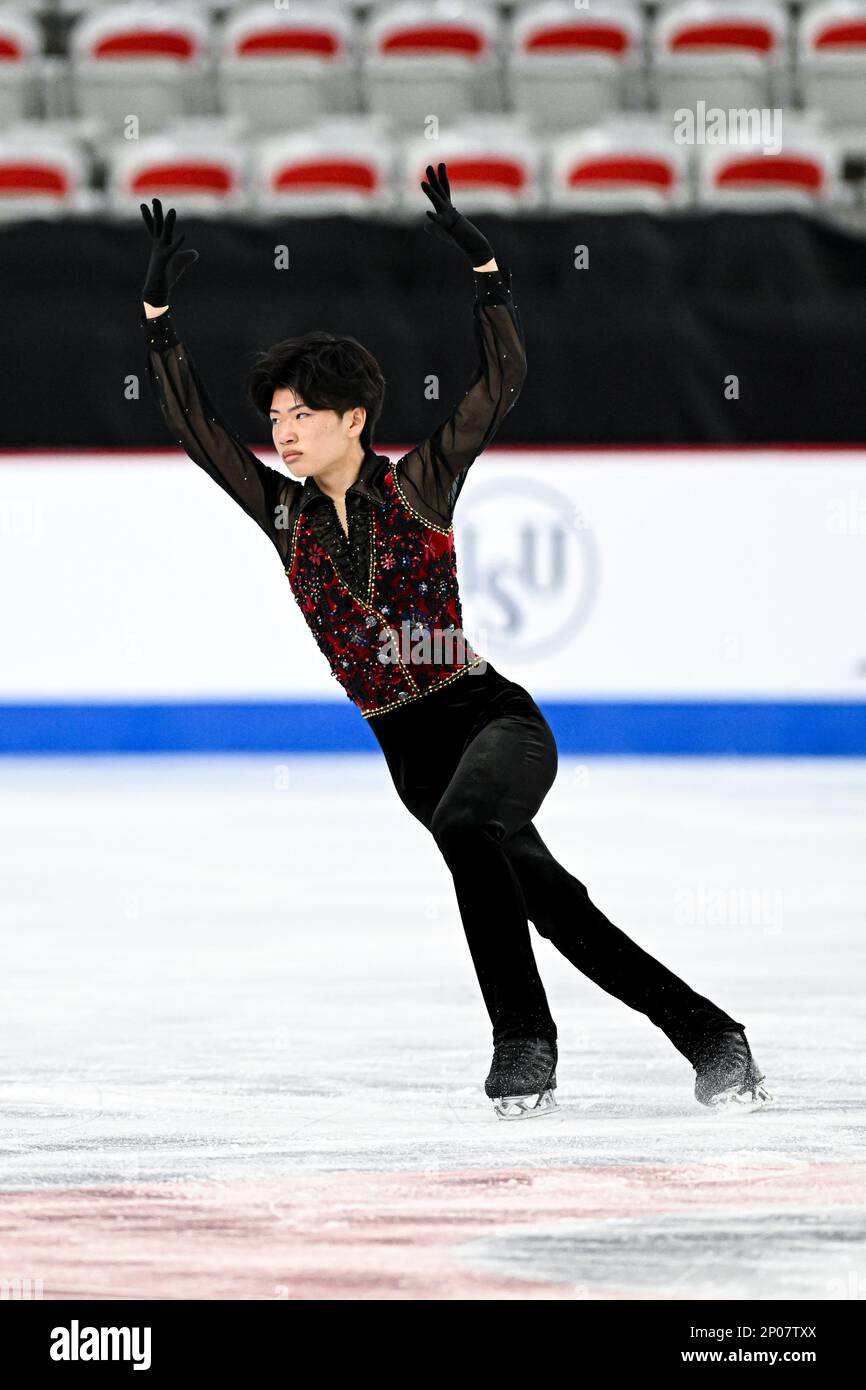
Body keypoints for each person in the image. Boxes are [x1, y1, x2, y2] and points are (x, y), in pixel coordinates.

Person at [138, 166, 771, 1120]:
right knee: (557, 908)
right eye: (274, 418)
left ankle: (524, 1041)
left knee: (478, 832)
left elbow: (500, 381)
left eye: (300, 414)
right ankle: (715, 1039)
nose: (281, 432)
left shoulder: (417, 487)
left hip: (491, 721)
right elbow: (197, 432)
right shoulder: (284, 517)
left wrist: (485, 269)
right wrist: (157, 318)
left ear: (354, 419)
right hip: (412, 758)